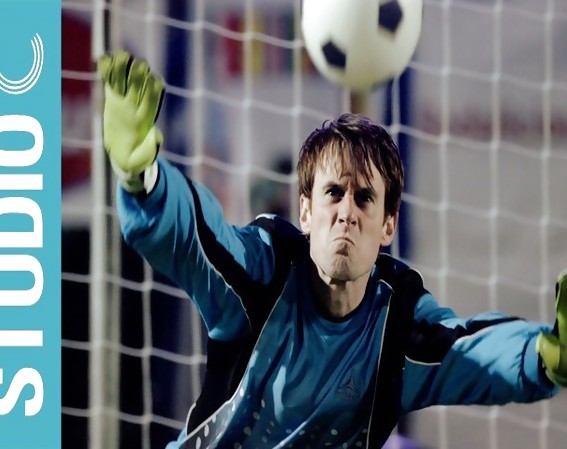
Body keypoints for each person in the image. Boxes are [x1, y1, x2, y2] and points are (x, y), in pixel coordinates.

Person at [97, 51, 567, 449]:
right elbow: (197, 238)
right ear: (305, 212)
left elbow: (470, 352)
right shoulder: (262, 276)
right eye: (333, 193)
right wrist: (142, 178)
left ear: (388, 225)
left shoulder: (396, 329)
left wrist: (544, 355)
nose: (347, 212)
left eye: (364, 198)